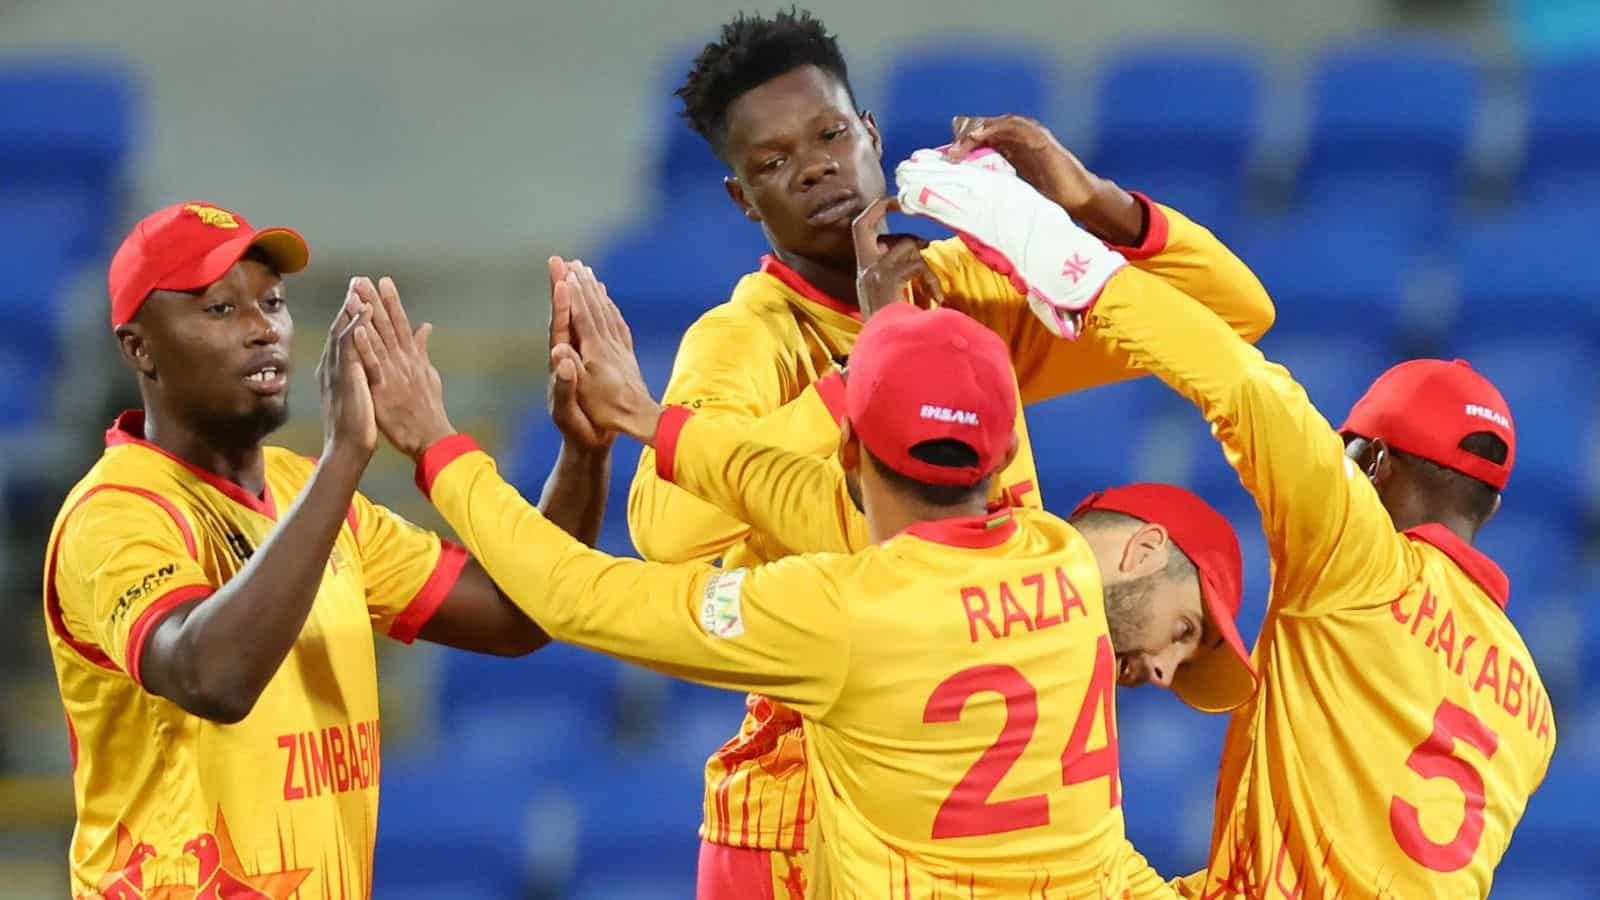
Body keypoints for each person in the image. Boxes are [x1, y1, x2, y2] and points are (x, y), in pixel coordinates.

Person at [634, 10, 1279, 891]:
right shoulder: (745, 340)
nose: (816, 165)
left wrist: (1087, 200)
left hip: (980, 802)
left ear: (869, 134)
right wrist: (875, 351)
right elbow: (666, 530)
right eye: (774, 163)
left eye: (828, 134)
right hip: (807, 814)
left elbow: (1231, 313)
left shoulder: (966, 293)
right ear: (743, 200)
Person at [350, 268, 1249, 899]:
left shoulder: (837, 613)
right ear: (1001, 454)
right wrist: (658, 426)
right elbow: (805, 491)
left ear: (852, 450)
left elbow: (577, 593)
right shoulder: (1057, 558)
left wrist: (439, 448)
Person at [911, 135, 1558, 898]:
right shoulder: (1535, 712)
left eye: (1346, 456)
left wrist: (1053, 248)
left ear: (1371, 462)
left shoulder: (1365, 563)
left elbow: (1244, 387)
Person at [42, 202, 611, 899]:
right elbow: (212, 680)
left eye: (273, 303)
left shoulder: (302, 490)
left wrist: (583, 451)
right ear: (139, 348)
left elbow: (518, 613)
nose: (262, 330)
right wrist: (348, 452)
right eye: (220, 309)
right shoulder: (117, 513)